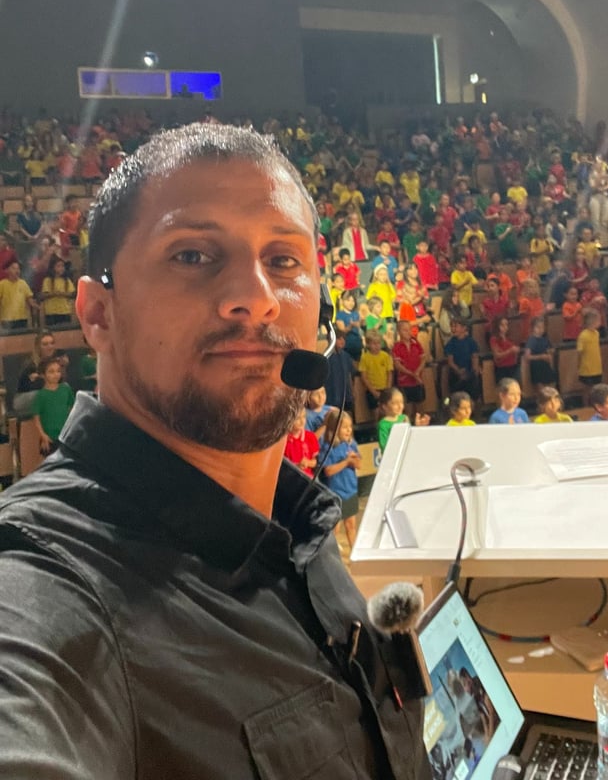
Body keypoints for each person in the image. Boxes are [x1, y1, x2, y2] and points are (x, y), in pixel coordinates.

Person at [0, 124, 430, 778]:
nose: (255, 297)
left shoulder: (297, 521)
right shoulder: (45, 582)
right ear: (98, 315)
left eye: (283, 261)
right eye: (193, 255)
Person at [319, 408, 362, 547]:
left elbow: (359, 465)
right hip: (335, 494)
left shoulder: (351, 444)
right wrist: (346, 462)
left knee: (351, 526)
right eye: (345, 427)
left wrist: (354, 459)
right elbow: (328, 471)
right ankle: (334, 554)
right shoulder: (327, 447)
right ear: (334, 428)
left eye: (350, 427)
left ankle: (354, 553)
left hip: (350, 490)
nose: (349, 430)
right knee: (335, 529)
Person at [32, 356, 75, 454]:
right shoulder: (41, 395)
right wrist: (43, 436)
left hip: (66, 436)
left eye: (58, 371)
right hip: (49, 438)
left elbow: (72, 409)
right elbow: (36, 418)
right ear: (43, 375)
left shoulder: (65, 388)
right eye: (51, 372)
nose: (56, 374)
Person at [391, 319, 428, 418]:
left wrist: (418, 371)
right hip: (405, 383)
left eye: (409, 329)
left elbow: (423, 359)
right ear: (399, 332)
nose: (408, 332)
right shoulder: (396, 347)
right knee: (408, 410)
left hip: (417, 381)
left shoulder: (416, 343)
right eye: (405, 330)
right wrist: (412, 374)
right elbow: (398, 365)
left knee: (420, 409)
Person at [377, 386, 429, 451]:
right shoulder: (383, 425)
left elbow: (410, 439)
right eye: (395, 403)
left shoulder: (404, 418)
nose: (400, 406)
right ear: (385, 406)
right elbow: (385, 447)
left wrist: (418, 428)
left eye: (401, 402)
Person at [358, 331, 393, 410]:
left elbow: (389, 373)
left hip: (385, 388)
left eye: (378, 343)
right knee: (376, 411)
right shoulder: (365, 357)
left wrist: (388, 388)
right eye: (374, 344)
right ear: (368, 344)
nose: (377, 346)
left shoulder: (385, 356)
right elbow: (364, 377)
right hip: (372, 389)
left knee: (386, 410)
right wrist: (373, 391)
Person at [283, 406, 319, 478]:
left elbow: (315, 461)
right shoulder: (284, 440)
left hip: (307, 478)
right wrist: (297, 466)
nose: (302, 421)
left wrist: (308, 462)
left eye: (304, 417)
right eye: (298, 418)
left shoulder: (310, 436)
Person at [576, 308, 603, 406]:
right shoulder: (583, 335)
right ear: (593, 321)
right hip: (586, 368)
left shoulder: (596, 334)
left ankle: (595, 405)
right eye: (599, 320)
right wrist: (579, 365)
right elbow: (579, 352)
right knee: (587, 389)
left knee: (596, 389)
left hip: (597, 367)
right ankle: (586, 406)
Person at [39, 255, 76, 325]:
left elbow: (72, 294)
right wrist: (54, 294)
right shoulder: (47, 280)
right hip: (51, 312)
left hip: (65, 311)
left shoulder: (67, 280)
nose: (61, 268)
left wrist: (63, 294)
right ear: (52, 268)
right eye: (58, 266)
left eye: (62, 266)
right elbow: (44, 294)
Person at [0, 259, 35, 330]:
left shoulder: (23, 283)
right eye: (13, 268)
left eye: (18, 268)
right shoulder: (2, 284)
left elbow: (29, 298)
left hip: (22, 318)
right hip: (7, 319)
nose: (17, 270)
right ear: (7, 270)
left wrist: (34, 304)